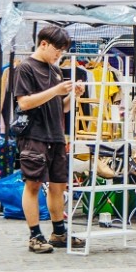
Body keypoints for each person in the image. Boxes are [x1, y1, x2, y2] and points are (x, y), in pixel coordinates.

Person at [12, 26, 85, 253]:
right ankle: (35, 235)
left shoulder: (55, 70)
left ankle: (59, 232)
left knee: (58, 185)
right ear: (43, 44)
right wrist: (56, 90)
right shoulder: (25, 68)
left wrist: (73, 96)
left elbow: (59, 108)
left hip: (56, 134)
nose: (59, 55)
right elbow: (24, 103)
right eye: (58, 50)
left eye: (62, 52)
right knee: (33, 184)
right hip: (34, 135)